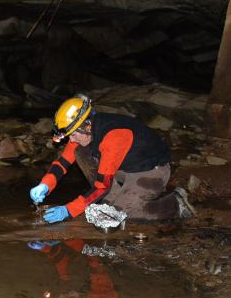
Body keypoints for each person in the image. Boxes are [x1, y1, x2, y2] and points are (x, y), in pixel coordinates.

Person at [30, 94, 195, 224]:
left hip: (150, 172)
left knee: (122, 214)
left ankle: (175, 203)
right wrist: (45, 184)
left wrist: (68, 210)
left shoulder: (113, 137)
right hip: (124, 165)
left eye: (73, 135)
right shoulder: (85, 131)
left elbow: (102, 186)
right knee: (79, 151)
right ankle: (112, 197)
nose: (71, 140)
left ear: (86, 125)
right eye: (69, 136)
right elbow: (62, 163)